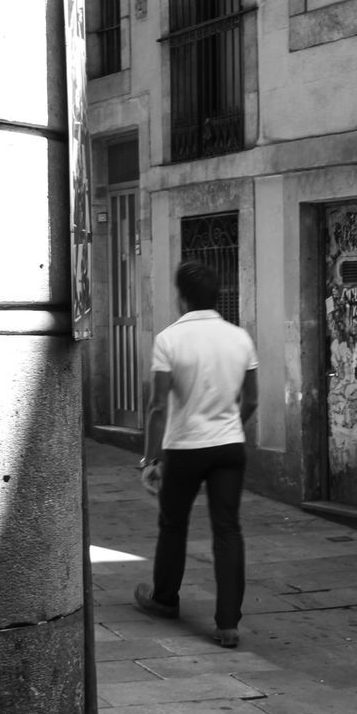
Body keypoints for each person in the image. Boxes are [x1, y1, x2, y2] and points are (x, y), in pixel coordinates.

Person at [133, 260, 260, 648]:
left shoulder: (169, 340)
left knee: (174, 524)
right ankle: (227, 624)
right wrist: (229, 425)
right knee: (228, 528)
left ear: (181, 296)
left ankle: (165, 598)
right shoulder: (240, 338)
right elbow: (251, 399)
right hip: (228, 446)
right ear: (216, 295)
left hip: (185, 446)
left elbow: (158, 405)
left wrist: (151, 458)